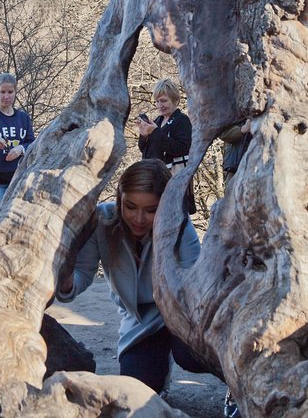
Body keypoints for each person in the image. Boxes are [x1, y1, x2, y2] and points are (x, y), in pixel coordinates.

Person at [56, 159, 210, 394]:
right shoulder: (102, 220)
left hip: (182, 313)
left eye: (151, 210)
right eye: (130, 206)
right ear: (119, 198)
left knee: (193, 356)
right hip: (138, 321)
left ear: (165, 205)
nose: (138, 219)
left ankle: (234, 386)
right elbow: (83, 273)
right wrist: (67, 282)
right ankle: (159, 367)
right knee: (137, 388)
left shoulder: (179, 223)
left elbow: (196, 281)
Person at [136, 78, 196, 214]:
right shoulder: (157, 120)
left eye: (164, 101)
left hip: (174, 179)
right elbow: (145, 151)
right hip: (155, 179)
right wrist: (144, 135)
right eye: (157, 101)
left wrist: (155, 132)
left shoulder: (182, 120)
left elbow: (181, 148)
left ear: (175, 100)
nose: (160, 105)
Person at [0, 73, 35, 217]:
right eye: (2, 92)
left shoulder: (23, 118)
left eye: (10, 92)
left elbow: (32, 142)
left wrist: (21, 148)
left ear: (15, 92)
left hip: (18, 180)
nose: (6, 96)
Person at [220, 117, 252, 189]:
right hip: (235, 168)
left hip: (262, 167)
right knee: (232, 198)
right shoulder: (235, 109)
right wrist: (242, 130)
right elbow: (223, 133)